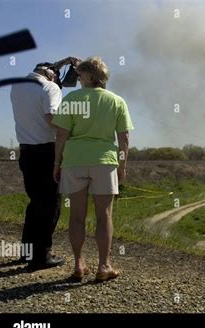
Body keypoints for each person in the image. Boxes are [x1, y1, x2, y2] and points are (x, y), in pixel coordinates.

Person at [52, 56, 134, 281]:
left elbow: (61, 134)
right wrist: (122, 165)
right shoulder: (117, 101)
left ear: (89, 76)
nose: (78, 79)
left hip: (75, 161)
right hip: (104, 163)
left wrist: (57, 164)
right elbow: (124, 137)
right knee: (104, 215)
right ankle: (103, 266)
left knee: (77, 215)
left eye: (80, 75)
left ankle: (79, 265)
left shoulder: (71, 99)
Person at [9, 62, 68, 270]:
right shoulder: (50, 87)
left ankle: (27, 252)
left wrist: (64, 62)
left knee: (35, 202)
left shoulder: (17, 85)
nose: (57, 80)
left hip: (26, 152)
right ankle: (41, 256)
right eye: (56, 75)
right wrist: (68, 130)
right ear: (49, 73)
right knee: (51, 204)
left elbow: (45, 69)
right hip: (47, 152)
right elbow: (51, 116)